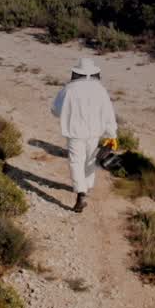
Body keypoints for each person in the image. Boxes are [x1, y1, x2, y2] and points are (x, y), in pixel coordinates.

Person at [51, 57, 118, 214]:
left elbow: (55, 110)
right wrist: (112, 134)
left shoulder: (68, 89)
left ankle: (80, 193)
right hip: (94, 132)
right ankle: (86, 187)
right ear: (94, 73)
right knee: (90, 160)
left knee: (76, 161)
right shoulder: (100, 90)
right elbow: (108, 114)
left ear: (77, 73)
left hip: (74, 132)